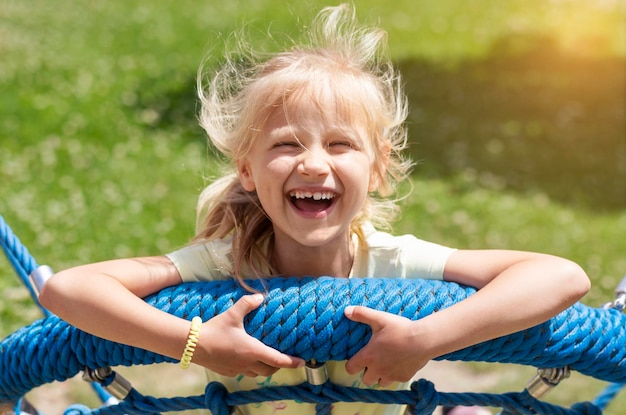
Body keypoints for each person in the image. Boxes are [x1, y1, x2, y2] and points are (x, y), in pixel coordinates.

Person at [39, 4, 590, 415]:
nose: (312, 165)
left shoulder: (393, 262)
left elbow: (561, 277)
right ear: (248, 171)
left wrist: (429, 338)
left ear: (377, 169)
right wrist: (196, 343)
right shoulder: (222, 265)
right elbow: (67, 290)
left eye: (341, 145)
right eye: (285, 145)